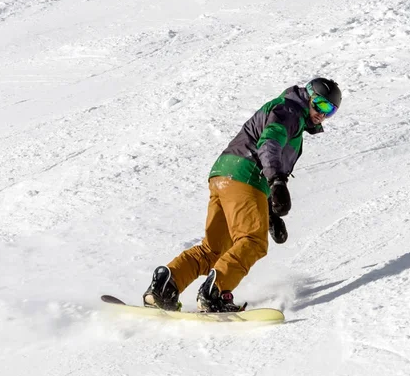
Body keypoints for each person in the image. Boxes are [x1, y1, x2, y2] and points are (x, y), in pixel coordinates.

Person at [143, 77, 342, 312]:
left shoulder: (287, 111)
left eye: (330, 110)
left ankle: (166, 286)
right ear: (308, 96)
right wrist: (277, 180)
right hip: (247, 175)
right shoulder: (289, 112)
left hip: (223, 175)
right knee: (253, 241)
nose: (322, 114)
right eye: (320, 105)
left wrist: (270, 215)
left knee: (213, 249)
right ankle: (215, 292)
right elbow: (269, 143)